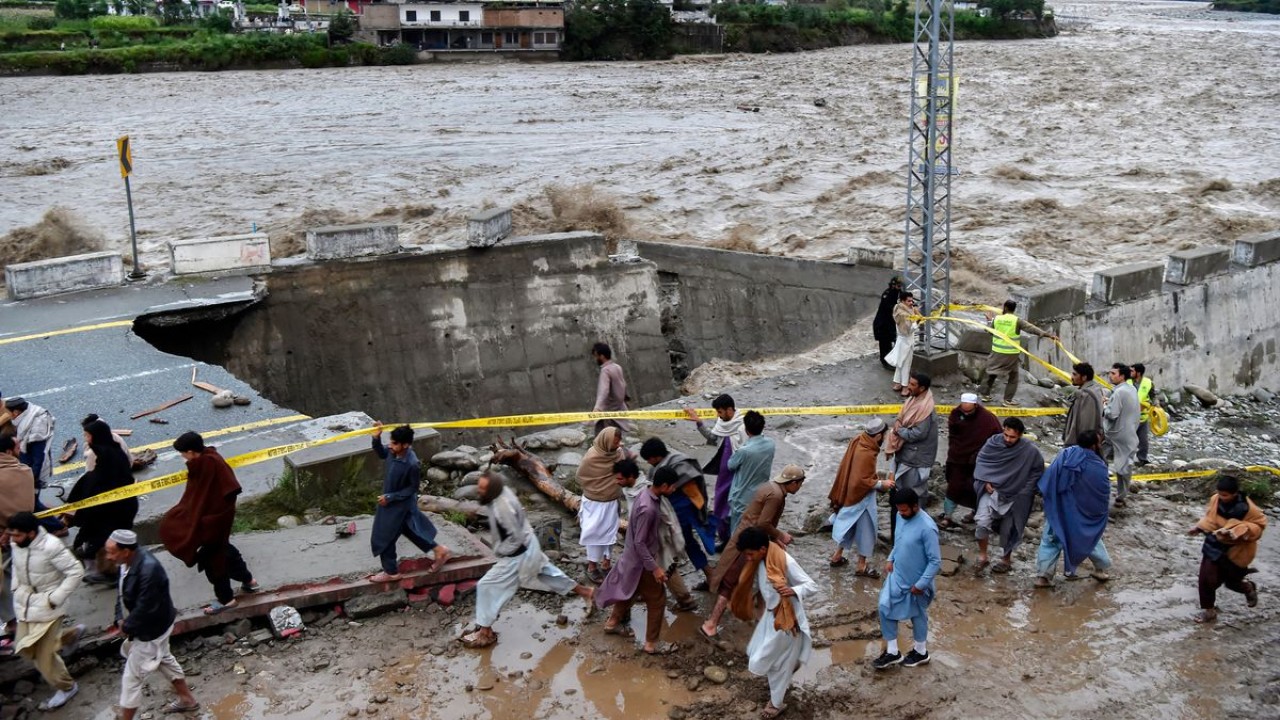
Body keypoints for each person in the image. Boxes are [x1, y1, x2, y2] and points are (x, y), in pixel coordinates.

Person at [462, 472, 594, 649]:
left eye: (483, 489)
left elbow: (514, 539)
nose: (479, 491)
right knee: (549, 574)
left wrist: (500, 552)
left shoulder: (503, 508)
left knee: (486, 585)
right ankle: (586, 592)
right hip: (530, 543)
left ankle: (485, 632)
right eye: (480, 488)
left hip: (519, 554)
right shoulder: (503, 493)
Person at [159, 431, 260, 616]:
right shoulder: (211, 457)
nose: (182, 457)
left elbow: (203, 497)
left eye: (183, 453)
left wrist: (202, 521)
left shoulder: (205, 465)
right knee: (225, 551)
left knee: (214, 560)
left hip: (213, 522)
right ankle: (249, 581)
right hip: (217, 520)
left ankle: (226, 600)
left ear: (190, 452)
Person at [701, 465, 805, 642]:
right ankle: (711, 624)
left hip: (752, 538)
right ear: (793, 483)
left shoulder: (770, 487)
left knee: (762, 580)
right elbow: (763, 523)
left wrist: (773, 539)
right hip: (751, 542)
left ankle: (761, 619)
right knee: (731, 583)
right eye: (800, 484)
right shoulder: (777, 496)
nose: (800, 487)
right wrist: (780, 535)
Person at [105, 529, 200, 718]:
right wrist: (119, 618)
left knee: (132, 678)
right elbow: (122, 593)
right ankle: (187, 699)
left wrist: (127, 627)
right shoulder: (127, 563)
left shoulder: (149, 570)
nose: (108, 557)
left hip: (151, 630)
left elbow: (145, 608)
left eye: (111, 552)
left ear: (126, 551)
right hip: (154, 624)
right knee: (164, 658)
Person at [732, 527, 818, 719]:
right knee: (758, 652)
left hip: (787, 620)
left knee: (776, 663)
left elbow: (812, 586)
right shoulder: (762, 559)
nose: (747, 558)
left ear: (762, 549)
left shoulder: (785, 561)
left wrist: (793, 591)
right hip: (771, 617)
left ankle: (776, 704)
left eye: (749, 554)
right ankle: (788, 667)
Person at [7, 511, 85, 711]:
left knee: (43, 658)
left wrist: (55, 598)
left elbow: (76, 571)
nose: (11, 539)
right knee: (23, 646)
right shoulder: (18, 544)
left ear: (31, 533)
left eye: (17, 535)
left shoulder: (51, 546)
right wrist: (16, 586)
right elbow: (17, 565)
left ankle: (67, 686)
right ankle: (69, 637)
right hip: (25, 603)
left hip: (48, 606)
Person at [597, 465, 679, 654]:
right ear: (664, 485)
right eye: (673, 487)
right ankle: (651, 644)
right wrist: (655, 568)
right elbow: (640, 542)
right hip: (642, 562)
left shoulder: (645, 493)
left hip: (632, 559)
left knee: (629, 592)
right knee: (657, 600)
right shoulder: (648, 508)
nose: (674, 490)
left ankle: (612, 623)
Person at [367, 423, 450, 583]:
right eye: (390, 442)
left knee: (385, 536)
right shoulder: (393, 451)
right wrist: (376, 438)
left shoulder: (411, 464)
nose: (390, 446)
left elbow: (412, 488)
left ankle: (390, 572)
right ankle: (440, 551)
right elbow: (381, 452)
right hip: (392, 502)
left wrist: (390, 497)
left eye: (394, 443)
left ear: (406, 445)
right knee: (410, 530)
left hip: (398, 505)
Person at [1035, 430, 1113, 587]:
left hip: (1058, 509)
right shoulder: (1098, 467)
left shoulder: (1065, 454)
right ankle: (1101, 569)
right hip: (1081, 514)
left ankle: (1043, 577)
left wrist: (1052, 500)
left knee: (1051, 539)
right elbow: (1101, 494)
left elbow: (1049, 477)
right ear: (1094, 445)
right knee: (1089, 538)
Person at [873, 488, 941, 670]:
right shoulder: (900, 517)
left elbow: (935, 561)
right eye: (898, 510)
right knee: (884, 607)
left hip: (917, 582)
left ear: (915, 506)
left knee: (917, 615)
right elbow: (899, 541)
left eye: (904, 510)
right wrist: (891, 558)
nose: (901, 514)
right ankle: (893, 652)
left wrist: (921, 584)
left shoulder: (927, 528)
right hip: (897, 575)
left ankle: (921, 652)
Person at [65, 419, 137, 585]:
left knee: (104, 542)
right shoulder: (111, 450)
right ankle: (110, 573)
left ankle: (111, 574)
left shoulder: (102, 455)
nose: (85, 439)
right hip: (118, 506)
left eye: (87, 435)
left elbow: (98, 482)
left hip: (113, 509)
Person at [616, 459, 696, 611]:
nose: (616, 481)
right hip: (647, 540)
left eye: (619, 478)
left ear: (630, 477)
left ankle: (684, 600)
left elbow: (658, 521)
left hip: (654, 540)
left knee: (662, 569)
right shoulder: (640, 491)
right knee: (659, 569)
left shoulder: (644, 495)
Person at [639, 438, 715, 593]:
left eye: (649, 460)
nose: (649, 463)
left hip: (681, 511)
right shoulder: (664, 464)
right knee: (680, 544)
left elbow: (694, 490)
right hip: (673, 511)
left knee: (683, 543)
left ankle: (710, 576)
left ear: (655, 457)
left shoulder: (679, 464)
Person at [1189, 476, 1267, 624]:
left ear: (1235, 493)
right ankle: (1209, 611)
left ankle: (1248, 588)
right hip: (1213, 545)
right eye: (1220, 494)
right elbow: (1210, 519)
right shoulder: (1215, 499)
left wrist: (1240, 530)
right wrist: (1199, 528)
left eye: (1225, 495)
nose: (1221, 497)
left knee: (1232, 582)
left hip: (1236, 550)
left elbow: (1258, 527)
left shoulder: (1248, 509)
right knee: (1206, 579)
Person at [973, 417, 1044, 573]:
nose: (1008, 439)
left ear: (1020, 435)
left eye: (1012, 437)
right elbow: (982, 461)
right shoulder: (993, 443)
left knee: (1009, 528)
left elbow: (1037, 471)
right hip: (992, 491)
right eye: (1006, 435)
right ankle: (983, 556)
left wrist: (1025, 491)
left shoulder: (1030, 451)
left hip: (1015, 495)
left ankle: (1006, 559)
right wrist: (985, 481)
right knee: (982, 522)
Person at [828, 419, 893, 577]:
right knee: (867, 529)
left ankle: (837, 556)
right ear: (878, 436)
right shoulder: (867, 453)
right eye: (884, 435)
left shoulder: (858, 440)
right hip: (861, 498)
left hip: (849, 494)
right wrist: (881, 483)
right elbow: (863, 481)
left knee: (849, 525)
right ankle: (861, 566)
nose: (885, 438)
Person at [685, 393, 747, 546]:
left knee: (737, 505)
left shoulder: (743, 426)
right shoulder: (722, 423)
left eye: (720, 412)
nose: (718, 415)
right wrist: (699, 423)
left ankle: (737, 538)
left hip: (739, 472)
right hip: (724, 473)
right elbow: (713, 439)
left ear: (729, 409)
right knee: (720, 503)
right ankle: (725, 537)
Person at [884, 372, 937, 544]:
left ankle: (914, 535)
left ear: (922, 388)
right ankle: (898, 535)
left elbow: (918, 434)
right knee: (898, 496)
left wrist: (899, 431)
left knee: (915, 495)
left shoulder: (925, 409)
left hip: (916, 459)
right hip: (905, 454)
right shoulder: (913, 401)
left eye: (913, 385)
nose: (909, 387)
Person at [979, 300, 1058, 407]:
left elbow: (988, 331)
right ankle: (1007, 400)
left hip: (997, 352)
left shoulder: (997, 319)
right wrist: (1047, 335)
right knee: (1013, 377)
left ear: (1005, 307)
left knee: (991, 372)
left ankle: (985, 395)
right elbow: (1031, 328)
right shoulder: (1017, 321)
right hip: (1011, 355)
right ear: (1014, 309)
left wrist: (989, 321)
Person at [940, 393, 1002, 529]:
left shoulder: (987, 418)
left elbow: (997, 438)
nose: (965, 407)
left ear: (975, 405)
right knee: (953, 487)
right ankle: (947, 516)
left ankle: (975, 513)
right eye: (963, 404)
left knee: (976, 489)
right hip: (958, 458)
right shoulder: (956, 415)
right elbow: (953, 435)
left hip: (978, 462)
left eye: (968, 405)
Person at [577, 426, 628, 584]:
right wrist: (598, 488)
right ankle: (592, 566)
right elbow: (581, 477)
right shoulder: (591, 457)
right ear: (606, 441)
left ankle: (606, 563)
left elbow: (623, 472)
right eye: (614, 443)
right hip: (594, 504)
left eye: (619, 442)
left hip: (611, 502)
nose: (617, 445)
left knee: (610, 534)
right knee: (594, 535)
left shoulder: (618, 454)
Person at [0, 436, 35, 635]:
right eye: (17, 446)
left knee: (5, 582)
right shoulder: (24, 472)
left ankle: (12, 621)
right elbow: (26, 506)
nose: (20, 449)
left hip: (3, 540)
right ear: (8, 451)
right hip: (22, 535)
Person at [727, 411, 775, 536]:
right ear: (763, 427)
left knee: (737, 534)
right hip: (762, 495)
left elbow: (730, 465)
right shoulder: (771, 445)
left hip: (742, 497)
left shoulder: (744, 451)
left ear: (746, 430)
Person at [1102, 362, 1140, 506]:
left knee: (1101, 460)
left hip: (1115, 434)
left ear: (1122, 376)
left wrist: (1104, 406)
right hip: (1129, 432)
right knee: (1124, 465)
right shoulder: (1130, 389)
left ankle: (1102, 490)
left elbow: (1112, 414)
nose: (1110, 376)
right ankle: (1121, 496)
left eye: (1113, 373)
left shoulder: (1119, 392)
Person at [4, 398, 54, 489]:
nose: (6, 415)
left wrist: (31, 480)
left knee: (33, 501)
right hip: (24, 468)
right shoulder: (24, 415)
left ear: (15, 412)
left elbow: (39, 458)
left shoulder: (36, 428)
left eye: (7, 412)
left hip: (31, 474)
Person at [591, 342, 632, 435]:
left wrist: (597, 408)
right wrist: (626, 399)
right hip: (618, 409)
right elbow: (623, 385)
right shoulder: (617, 367)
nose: (595, 359)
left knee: (604, 439)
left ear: (601, 356)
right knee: (616, 437)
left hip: (608, 412)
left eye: (596, 356)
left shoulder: (605, 371)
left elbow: (603, 391)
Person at [1062, 362, 1104, 447]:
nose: (1072, 377)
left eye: (1075, 374)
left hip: (1081, 444)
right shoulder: (1092, 390)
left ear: (1084, 377)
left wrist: (1082, 445)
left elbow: (1086, 423)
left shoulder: (1087, 395)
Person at [888, 292, 918, 394]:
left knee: (900, 363)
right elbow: (907, 331)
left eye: (911, 300)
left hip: (903, 341)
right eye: (908, 301)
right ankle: (905, 387)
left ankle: (897, 383)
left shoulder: (902, 309)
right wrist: (916, 322)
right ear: (902, 301)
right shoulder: (902, 314)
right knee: (905, 364)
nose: (911, 303)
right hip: (905, 340)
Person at [873, 276, 904, 369]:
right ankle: (885, 362)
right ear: (893, 285)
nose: (899, 287)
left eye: (900, 286)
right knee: (885, 344)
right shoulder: (887, 294)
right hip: (882, 324)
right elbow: (891, 308)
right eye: (898, 286)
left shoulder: (899, 293)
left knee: (892, 343)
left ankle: (891, 360)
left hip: (891, 324)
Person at [1129, 363, 1157, 466]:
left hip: (1143, 417)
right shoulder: (1127, 382)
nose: (1130, 373)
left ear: (1138, 373)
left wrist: (1155, 405)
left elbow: (1153, 396)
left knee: (1143, 440)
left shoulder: (1148, 383)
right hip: (1129, 417)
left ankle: (1142, 459)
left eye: (1132, 371)